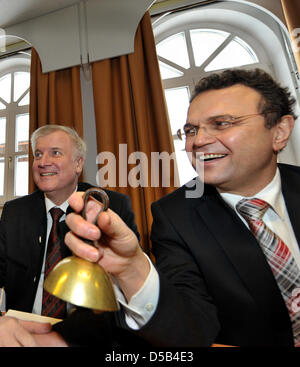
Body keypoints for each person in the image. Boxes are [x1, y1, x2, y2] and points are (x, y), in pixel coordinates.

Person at [62, 68, 300, 347]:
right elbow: (191, 329)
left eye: (222, 123)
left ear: (279, 131)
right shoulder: (174, 216)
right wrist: (132, 269)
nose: (197, 141)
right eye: (190, 130)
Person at [0, 124, 142, 347]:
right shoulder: (14, 212)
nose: (43, 161)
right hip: (23, 334)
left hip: (87, 340)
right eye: (38, 154)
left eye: (55, 152)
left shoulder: (110, 207)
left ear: (78, 164)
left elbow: (130, 290)